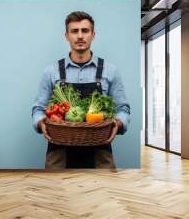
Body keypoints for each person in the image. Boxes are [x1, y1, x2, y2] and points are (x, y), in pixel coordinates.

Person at [31, 11, 130, 169]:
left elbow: (123, 108)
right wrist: (41, 122)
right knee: (57, 194)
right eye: (74, 31)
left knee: (102, 193)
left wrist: (118, 123)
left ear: (93, 34)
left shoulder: (111, 71)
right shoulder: (51, 71)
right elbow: (38, 108)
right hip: (58, 155)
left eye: (85, 30)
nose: (80, 36)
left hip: (101, 153)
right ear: (66, 35)